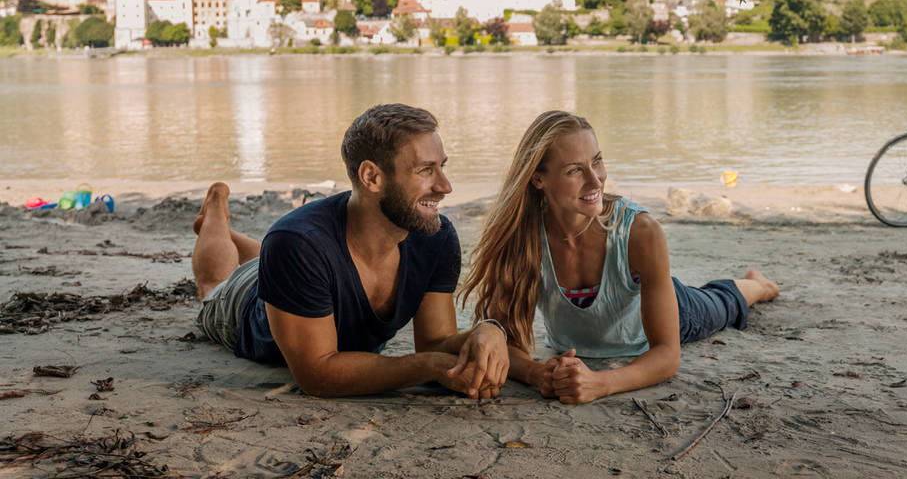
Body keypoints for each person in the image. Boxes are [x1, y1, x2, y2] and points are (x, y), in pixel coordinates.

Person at [459, 110, 779, 404]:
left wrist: (601, 383)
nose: (596, 179)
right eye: (575, 170)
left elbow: (668, 356)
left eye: (597, 161)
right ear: (538, 179)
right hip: (620, 311)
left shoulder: (640, 231)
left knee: (722, 301)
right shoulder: (523, 237)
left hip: (671, 310)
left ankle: (758, 286)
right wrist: (535, 373)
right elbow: (506, 337)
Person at [190, 103, 508, 398]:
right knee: (213, 284)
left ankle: (241, 241)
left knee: (286, 253)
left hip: (299, 264)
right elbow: (317, 374)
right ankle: (215, 214)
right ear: (371, 177)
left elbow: (436, 342)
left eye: (442, 167)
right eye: (426, 170)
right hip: (244, 301)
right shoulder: (296, 245)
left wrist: (489, 331)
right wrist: (429, 367)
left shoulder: (435, 237)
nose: (445, 186)